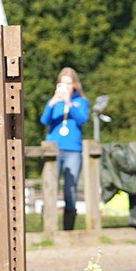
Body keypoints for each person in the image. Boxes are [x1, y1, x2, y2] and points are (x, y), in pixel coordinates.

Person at [40, 67, 90, 231]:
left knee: (70, 188)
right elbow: (44, 120)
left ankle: (69, 229)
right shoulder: (54, 103)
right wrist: (53, 102)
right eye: (62, 84)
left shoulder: (82, 102)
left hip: (72, 150)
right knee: (50, 186)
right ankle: (48, 227)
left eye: (69, 84)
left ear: (75, 85)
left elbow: (82, 119)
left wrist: (70, 102)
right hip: (53, 149)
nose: (66, 87)